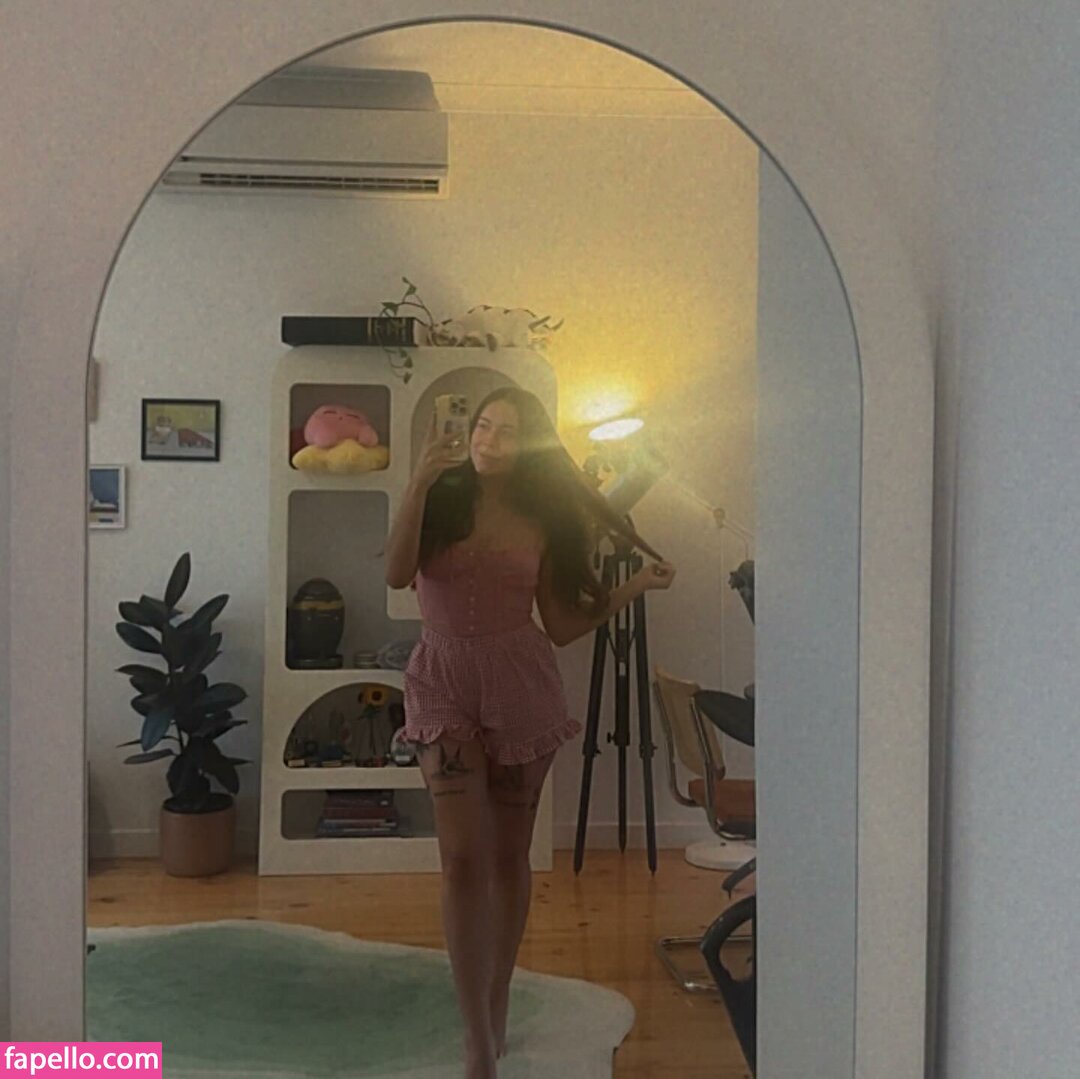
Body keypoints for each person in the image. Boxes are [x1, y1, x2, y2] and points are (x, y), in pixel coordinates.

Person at [384, 386, 676, 1079]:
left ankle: (499, 998)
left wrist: (634, 586)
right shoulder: (439, 497)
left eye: (508, 431)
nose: (489, 439)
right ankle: (476, 1038)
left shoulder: (545, 515)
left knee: (509, 856)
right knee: (461, 857)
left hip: (521, 681)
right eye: (484, 425)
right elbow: (397, 574)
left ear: (531, 446)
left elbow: (563, 624)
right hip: (442, 677)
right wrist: (419, 479)